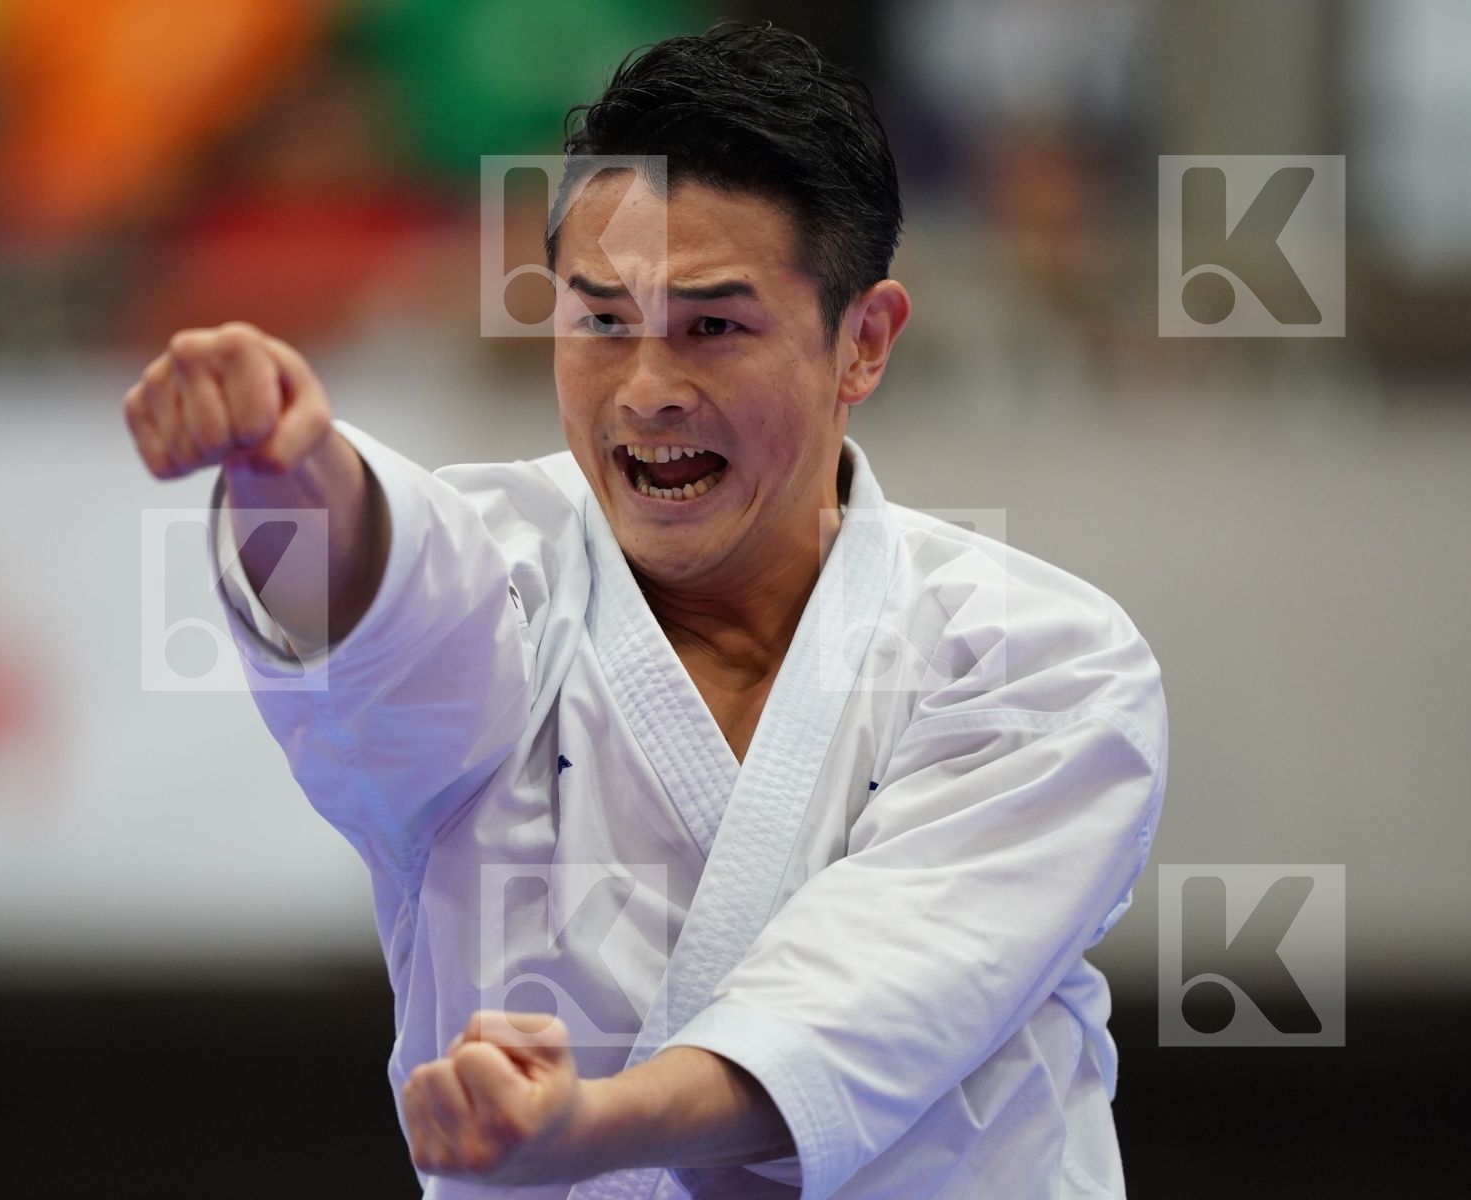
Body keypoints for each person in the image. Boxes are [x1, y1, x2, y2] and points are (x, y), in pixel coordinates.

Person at [123, 22, 1165, 1200]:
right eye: (601, 321)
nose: (649, 391)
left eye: (713, 327)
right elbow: (379, 600)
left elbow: (879, 1002)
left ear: (862, 342)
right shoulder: (506, 574)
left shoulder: (1038, 660)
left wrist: (595, 1124)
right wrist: (286, 461)